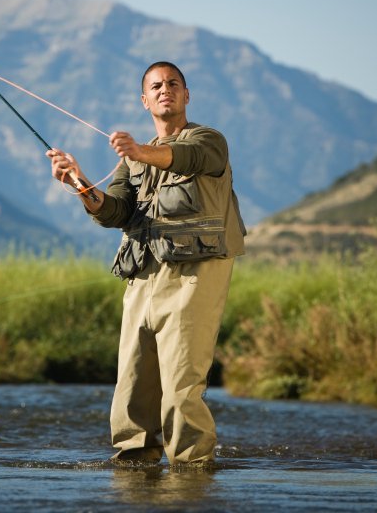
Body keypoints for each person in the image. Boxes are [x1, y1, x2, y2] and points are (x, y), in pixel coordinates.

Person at [47, 61, 246, 465]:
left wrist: (140, 151)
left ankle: (191, 470)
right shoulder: (131, 162)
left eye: (173, 84)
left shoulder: (210, 141)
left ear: (186, 95)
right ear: (144, 100)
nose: (164, 89)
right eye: (156, 86)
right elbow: (114, 212)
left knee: (180, 384)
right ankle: (134, 466)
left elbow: (185, 158)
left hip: (194, 278)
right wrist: (80, 184)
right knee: (132, 385)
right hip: (141, 279)